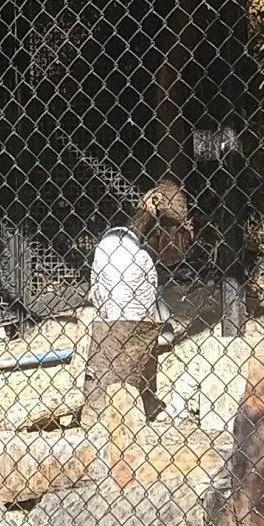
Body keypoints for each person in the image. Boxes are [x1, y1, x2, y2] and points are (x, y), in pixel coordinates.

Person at [85, 179, 194, 420]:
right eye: (181, 234)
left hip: (107, 348)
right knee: (162, 321)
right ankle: (139, 398)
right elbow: (129, 322)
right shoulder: (134, 260)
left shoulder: (115, 242)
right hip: (122, 368)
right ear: (161, 231)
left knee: (163, 316)